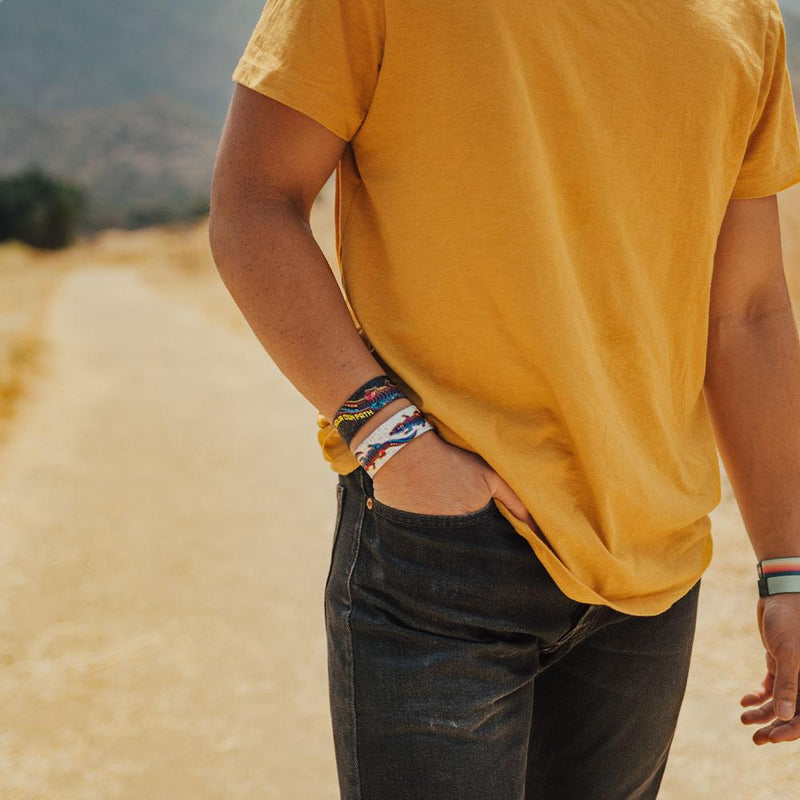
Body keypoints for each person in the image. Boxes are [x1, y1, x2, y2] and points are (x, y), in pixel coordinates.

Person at [208, 1, 800, 797]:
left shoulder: (742, 17)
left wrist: (788, 567)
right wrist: (395, 445)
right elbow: (255, 203)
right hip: (443, 546)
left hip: (651, 566)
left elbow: (748, 311)